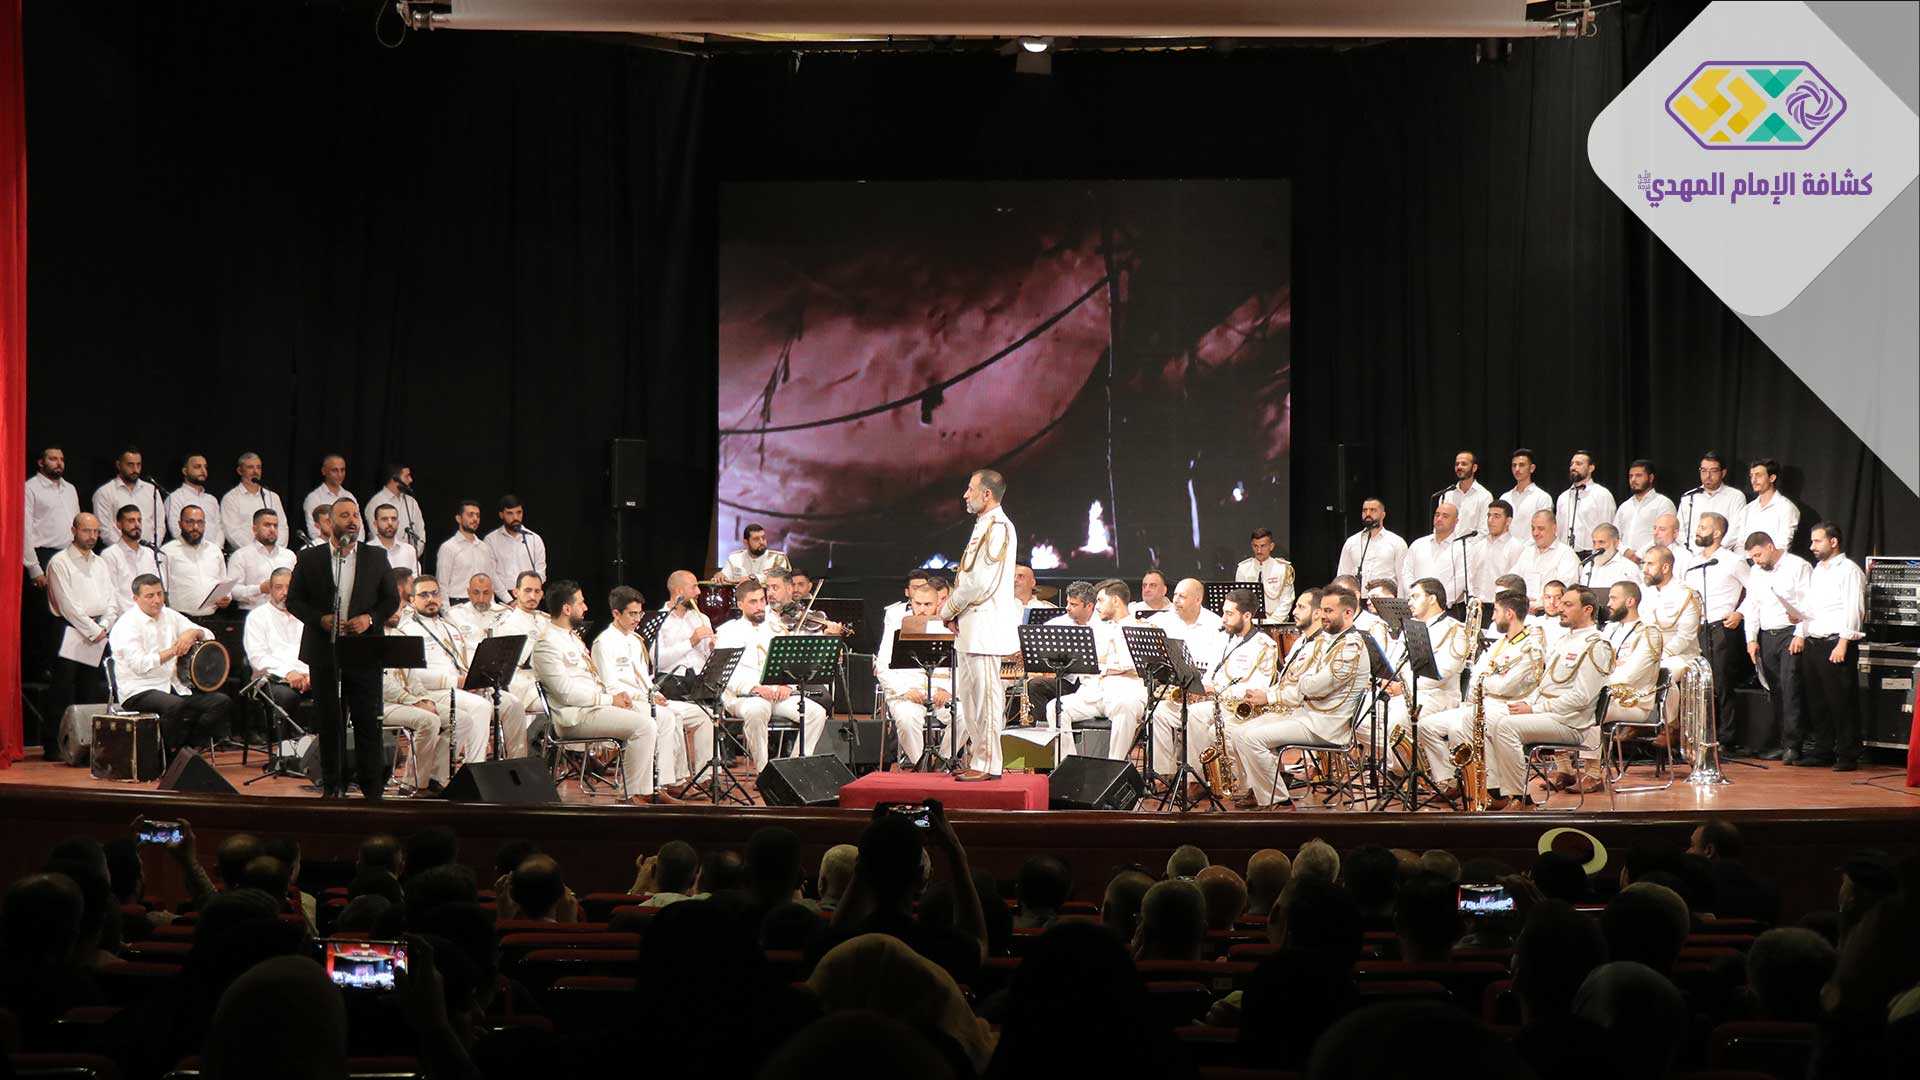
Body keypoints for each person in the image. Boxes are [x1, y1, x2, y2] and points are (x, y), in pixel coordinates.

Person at [286, 498, 399, 798]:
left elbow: (391, 600)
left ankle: (372, 791)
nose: (352, 520)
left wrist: (370, 619)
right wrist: (320, 619)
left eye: (355, 515)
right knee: (330, 723)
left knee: (367, 723)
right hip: (325, 653)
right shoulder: (311, 558)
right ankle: (332, 787)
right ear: (330, 523)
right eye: (344, 515)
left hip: (365, 653)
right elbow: (294, 600)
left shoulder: (376, 556)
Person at [1230, 588, 1369, 809]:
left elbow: (1316, 687)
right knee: (1238, 732)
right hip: (1308, 715)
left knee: (1252, 738)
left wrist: (1304, 682)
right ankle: (1259, 790)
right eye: (1322, 610)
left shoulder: (1351, 646)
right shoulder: (1331, 641)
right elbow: (1309, 683)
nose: (1323, 616)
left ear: (1348, 613)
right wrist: (1306, 682)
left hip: (1327, 725)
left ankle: (1279, 801)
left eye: (1329, 611)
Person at [535, 579, 670, 804]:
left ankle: (652, 790)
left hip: (593, 708)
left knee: (653, 717)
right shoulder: (547, 644)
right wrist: (609, 699)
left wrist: (618, 698)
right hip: (574, 716)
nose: (585, 607)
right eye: (581, 602)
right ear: (567, 609)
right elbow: (566, 694)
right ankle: (630, 795)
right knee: (644, 725)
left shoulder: (572, 638)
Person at [1482, 585, 1615, 810]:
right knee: (1487, 719)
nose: (1560, 608)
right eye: (1562, 604)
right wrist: (1527, 703)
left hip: (1570, 721)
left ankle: (1522, 799)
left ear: (1588, 610)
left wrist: (1534, 709)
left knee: (1505, 727)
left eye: (1568, 604)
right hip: (1549, 713)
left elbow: (1581, 697)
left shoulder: (1597, 645)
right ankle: (1495, 792)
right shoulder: (1564, 640)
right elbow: (1544, 683)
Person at [934, 469, 1021, 780]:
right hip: (971, 627)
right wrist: (956, 613)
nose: (965, 495)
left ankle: (989, 763)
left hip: (985, 629)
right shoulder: (984, 525)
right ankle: (978, 759)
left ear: (987, 494)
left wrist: (948, 609)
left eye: (970, 489)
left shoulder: (998, 527)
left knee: (987, 699)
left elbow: (979, 583)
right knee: (971, 701)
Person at [1417, 590, 1542, 797]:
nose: (1492, 617)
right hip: (1483, 703)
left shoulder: (1529, 648)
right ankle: (1451, 781)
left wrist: (1484, 681)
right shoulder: (1500, 643)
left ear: (1509, 614)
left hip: (1508, 706)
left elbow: (1504, 687)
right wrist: (1485, 680)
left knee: (1460, 726)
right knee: (1427, 726)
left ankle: (1491, 789)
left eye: (1496, 611)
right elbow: (1476, 675)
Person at [594, 584, 709, 796]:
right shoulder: (604, 642)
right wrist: (646, 697)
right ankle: (664, 784)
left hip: (646, 698)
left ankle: (703, 777)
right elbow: (611, 686)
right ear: (616, 613)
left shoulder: (635, 640)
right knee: (666, 717)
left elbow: (643, 677)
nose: (637, 619)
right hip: (625, 703)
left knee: (703, 715)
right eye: (632, 614)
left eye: (639, 613)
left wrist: (655, 693)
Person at [1151, 589, 1275, 786]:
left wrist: (1215, 692)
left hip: (1234, 705)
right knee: (1161, 711)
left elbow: (1257, 689)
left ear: (1247, 616)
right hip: (1212, 699)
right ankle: (1164, 774)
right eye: (1223, 612)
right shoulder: (1222, 637)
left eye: (1229, 613)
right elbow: (1212, 673)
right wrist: (1199, 689)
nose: (1223, 618)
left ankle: (1197, 780)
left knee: (1195, 715)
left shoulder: (1264, 645)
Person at [106, 574, 232, 749]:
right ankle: (167, 754)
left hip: (173, 685)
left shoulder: (169, 615)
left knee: (220, 702)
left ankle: (189, 748)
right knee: (175, 706)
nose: (157, 600)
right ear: (136, 599)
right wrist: (174, 650)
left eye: (160, 594)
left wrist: (193, 633)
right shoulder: (126, 625)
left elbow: (209, 635)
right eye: (150, 596)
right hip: (139, 689)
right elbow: (140, 664)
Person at [716, 578, 827, 770]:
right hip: (744, 696)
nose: (760, 606)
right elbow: (726, 673)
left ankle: (794, 769)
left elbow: (789, 663)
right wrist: (754, 688)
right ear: (740, 604)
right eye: (753, 602)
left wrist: (787, 685)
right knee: (757, 710)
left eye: (762, 600)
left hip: (777, 694)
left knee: (816, 713)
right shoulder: (727, 631)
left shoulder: (776, 628)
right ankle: (764, 771)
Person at [394, 576, 500, 768]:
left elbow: (462, 662)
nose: (430, 599)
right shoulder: (406, 631)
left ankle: (517, 761)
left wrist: (473, 680)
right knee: (481, 707)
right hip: (432, 691)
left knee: (510, 703)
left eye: (434, 593)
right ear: (412, 600)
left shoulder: (449, 626)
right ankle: (475, 770)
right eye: (424, 595)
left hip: (461, 687)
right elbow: (412, 676)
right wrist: (455, 682)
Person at [42, 513, 117, 749]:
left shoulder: (100, 562)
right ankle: (55, 746)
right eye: (86, 531)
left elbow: (111, 600)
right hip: (70, 630)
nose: (92, 536)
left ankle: (89, 745)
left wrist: (104, 626)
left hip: (97, 630)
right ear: (74, 530)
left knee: (90, 690)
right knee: (62, 689)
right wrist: (94, 630)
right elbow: (67, 605)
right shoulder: (60, 562)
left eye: (96, 531)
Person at [1797, 521, 1865, 771]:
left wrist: (1843, 643)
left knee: (1841, 700)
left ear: (1833, 542)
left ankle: (1848, 753)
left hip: (1836, 642)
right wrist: (1800, 629)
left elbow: (1854, 609)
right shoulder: (1818, 570)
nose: (1812, 546)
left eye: (1817, 541)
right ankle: (1823, 749)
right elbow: (1812, 606)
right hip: (1814, 641)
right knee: (1818, 700)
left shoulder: (1849, 570)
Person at [1377, 578, 1470, 758]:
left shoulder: (1456, 629)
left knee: (1396, 718)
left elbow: (1442, 674)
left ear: (1432, 599)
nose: (1410, 602)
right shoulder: (1410, 626)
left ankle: (1403, 769)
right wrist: (1389, 681)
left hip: (1438, 695)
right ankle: (1394, 764)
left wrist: (1403, 687)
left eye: (1415, 596)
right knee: (1366, 713)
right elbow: (1395, 661)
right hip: (1407, 692)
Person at [1740, 531, 1811, 762]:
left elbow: (1807, 602)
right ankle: (1783, 741)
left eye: (1758, 555)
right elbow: (1752, 605)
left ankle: (1794, 744)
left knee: (1791, 687)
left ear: (1770, 547)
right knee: (1775, 688)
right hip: (1767, 635)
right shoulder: (1756, 571)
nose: (1756, 561)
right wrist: (1751, 639)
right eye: (1753, 557)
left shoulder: (1797, 566)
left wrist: (1800, 633)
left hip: (1789, 633)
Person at [379, 588, 451, 794]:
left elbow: (412, 677)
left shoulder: (400, 635)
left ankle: (435, 778)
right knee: (429, 720)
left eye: (400, 608)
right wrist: (414, 702)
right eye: (393, 608)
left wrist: (425, 699)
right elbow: (382, 682)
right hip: (382, 703)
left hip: (407, 700)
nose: (397, 613)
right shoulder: (372, 637)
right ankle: (412, 783)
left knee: (460, 719)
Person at [1689, 511, 1750, 752]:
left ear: (1717, 533)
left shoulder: (1732, 560)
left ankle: (1726, 738)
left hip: (1721, 627)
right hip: (1697, 627)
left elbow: (1756, 589)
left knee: (1722, 683)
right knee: (1698, 683)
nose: (1698, 531)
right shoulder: (1693, 561)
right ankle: (1702, 735)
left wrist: (1740, 613)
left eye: (1703, 527)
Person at [879, 583, 955, 766]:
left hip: (940, 692)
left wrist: (947, 690)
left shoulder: (949, 629)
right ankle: (920, 765)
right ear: (911, 602)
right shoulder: (896, 629)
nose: (922, 609)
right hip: (907, 693)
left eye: (927, 604)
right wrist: (905, 690)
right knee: (907, 718)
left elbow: (962, 669)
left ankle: (943, 762)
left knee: (965, 716)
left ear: (937, 604)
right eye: (918, 604)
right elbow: (881, 667)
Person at [242, 568, 312, 741]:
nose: (285, 592)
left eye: (289, 587)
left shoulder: (306, 615)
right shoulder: (257, 616)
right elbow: (258, 657)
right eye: (279, 587)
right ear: (270, 590)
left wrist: (309, 674)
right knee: (286, 696)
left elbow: (314, 650)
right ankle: (287, 747)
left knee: (335, 691)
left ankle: (323, 746)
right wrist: (288, 673)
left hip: (307, 677)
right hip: (272, 679)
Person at [1085, 579, 1149, 762]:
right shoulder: (1099, 629)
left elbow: (1133, 667)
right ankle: (1071, 765)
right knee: (1056, 709)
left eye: (1100, 600)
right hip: (1097, 692)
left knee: (1125, 706)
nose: (1097, 607)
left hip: (1126, 691)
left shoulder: (1140, 627)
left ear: (1115, 600)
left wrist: (1105, 668)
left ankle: (1115, 766)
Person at [1639, 546, 1703, 680]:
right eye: (1643, 563)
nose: (1644, 569)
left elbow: (1685, 636)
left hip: (1679, 656)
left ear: (1665, 568)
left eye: (1650, 564)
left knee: (1662, 670)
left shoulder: (1686, 593)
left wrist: (1659, 656)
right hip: (1648, 654)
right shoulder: (1644, 591)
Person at [161, 505, 232, 620]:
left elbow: (223, 582)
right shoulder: (167, 552)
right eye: (190, 522)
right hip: (180, 618)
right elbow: (161, 589)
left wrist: (226, 597)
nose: (195, 527)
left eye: (200, 522)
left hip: (212, 617)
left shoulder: (214, 550)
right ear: (180, 524)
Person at [1676, 451, 1749, 553]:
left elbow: (1736, 530)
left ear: (1723, 473)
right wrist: (1695, 551)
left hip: (1723, 554)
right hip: (1692, 554)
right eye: (1704, 471)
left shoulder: (1735, 496)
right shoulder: (1689, 497)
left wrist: (1714, 550)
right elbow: (1680, 531)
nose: (1708, 475)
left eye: (1713, 471)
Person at [227, 508, 298, 612]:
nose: (272, 529)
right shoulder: (241, 556)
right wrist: (259, 589)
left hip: (286, 612)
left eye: (275, 526)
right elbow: (233, 590)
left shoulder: (289, 555)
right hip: (252, 612)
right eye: (267, 525)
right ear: (255, 529)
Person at [91, 446, 163, 547]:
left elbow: (160, 525)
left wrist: (151, 548)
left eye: (138, 465)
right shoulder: (104, 492)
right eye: (130, 465)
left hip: (149, 552)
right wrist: (126, 550)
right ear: (118, 465)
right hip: (118, 552)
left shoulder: (152, 490)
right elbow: (104, 530)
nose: (135, 469)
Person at [218, 452, 288, 554]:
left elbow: (282, 527)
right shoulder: (231, 498)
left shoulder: (272, 497)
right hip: (245, 555)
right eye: (250, 467)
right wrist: (257, 551)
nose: (255, 471)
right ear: (240, 471)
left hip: (274, 555)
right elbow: (232, 532)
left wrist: (275, 550)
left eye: (258, 467)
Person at [1512, 509, 1581, 609]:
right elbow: (1513, 580)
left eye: (1541, 529)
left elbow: (1565, 590)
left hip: (1552, 613)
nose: (1535, 533)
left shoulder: (1566, 554)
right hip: (1524, 610)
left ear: (1554, 528)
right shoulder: (1527, 552)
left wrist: (1538, 604)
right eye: (1533, 528)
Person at [654, 569, 716, 677]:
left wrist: (712, 649)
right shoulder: (658, 620)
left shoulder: (702, 618)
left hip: (701, 678)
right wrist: (691, 642)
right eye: (694, 587)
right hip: (672, 679)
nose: (699, 592)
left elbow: (709, 659)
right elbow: (657, 661)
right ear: (679, 591)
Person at [484, 495, 546, 603]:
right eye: (510, 513)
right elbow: (491, 574)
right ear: (501, 515)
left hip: (530, 596)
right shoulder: (491, 540)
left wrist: (531, 595)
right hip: (503, 598)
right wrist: (508, 600)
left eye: (519, 512)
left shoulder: (534, 539)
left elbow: (541, 572)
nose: (515, 517)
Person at [1335, 497, 1408, 589]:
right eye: (1364, 510)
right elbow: (1342, 576)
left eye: (1373, 510)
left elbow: (1403, 578)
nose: (1368, 514)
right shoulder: (1351, 542)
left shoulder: (1397, 542)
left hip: (1384, 597)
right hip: (1357, 596)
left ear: (1383, 515)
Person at [435, 500, 496, 606]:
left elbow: (490, 580)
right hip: (458, 603)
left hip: (483, 603)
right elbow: (442, 584)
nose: (475, 519)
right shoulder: (448, 547)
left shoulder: (484, 548)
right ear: (458, 518)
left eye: (478, 515)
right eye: (470, 515)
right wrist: (446, 611)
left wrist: (492, 605)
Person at [1611, 459, 1675, 559]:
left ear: (1651, 478)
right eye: (1631, 476)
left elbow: (1666, 535)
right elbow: (1614, 535)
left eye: (1638, 475)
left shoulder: (1663, 503)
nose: (1633, 479)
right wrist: (1625, 551)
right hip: (1624, 561)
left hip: (1652, 560)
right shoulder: (1624, 506)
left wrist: (1639, 555)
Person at [100, 505, 162, 605]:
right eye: (131, 521)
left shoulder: (149, 553)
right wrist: (135, 613)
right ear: (119, 525)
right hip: (126, 612)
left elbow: (157, 586)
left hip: (152, 610)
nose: (137, 525)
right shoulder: (110, 555)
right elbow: (113, 593)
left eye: (139, 520)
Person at [1467, 500, 1526, 603]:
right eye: (1489, 516)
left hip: (1501, 604)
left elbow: (1516, 582)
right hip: (1476, 604)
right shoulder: (1478, 546)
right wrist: (1471, 598)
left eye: (1496, 516)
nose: (1490, 520)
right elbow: (1470, 575)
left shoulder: (1516, 547)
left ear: (1508, 521)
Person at [364, 464, 427, 562]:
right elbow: (376, 535)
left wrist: (411, 556)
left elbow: (420, 534)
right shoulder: (376, 502)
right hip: (383, 561)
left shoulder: (411, 502)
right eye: (407, 476)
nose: (410, 480)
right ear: (395, 479)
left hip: (408, 561)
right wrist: (393, 560)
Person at [1556, 450, 1616, 551]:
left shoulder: (1602, 494)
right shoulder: (1563, 497)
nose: (1573, 467)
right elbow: (1558, 531)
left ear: (1591, 468)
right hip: (1566, 554)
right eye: (1571, 464)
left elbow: (1608, 529)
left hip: (1592, 554)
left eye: (1578, 464)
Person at [163, 453, 224, 548]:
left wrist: (216, 548)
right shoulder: (175, 497)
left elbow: (220, 528)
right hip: (187, 550)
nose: (203, 471)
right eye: (197, 467)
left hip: (212, 551)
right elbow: (176, 530)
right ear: (185, 471)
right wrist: (196, 548)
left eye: (205, 467)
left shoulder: (212, 499)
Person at [1234, 526, 1295, 619]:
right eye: (1255, 546)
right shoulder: (1243, 568)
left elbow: (1287, 599)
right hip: (1250, 620)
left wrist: (1274, 620)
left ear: (1271, 546)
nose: (1259, 550)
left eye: (1263, 546)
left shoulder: (1283, 568)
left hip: (1277, 621)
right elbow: (1240, 599)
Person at [1739, 457, 1799, 550]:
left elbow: (1783, 545)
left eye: (1758, 475)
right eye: (1751, 476)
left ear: (1772, 478)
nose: (1753, 480)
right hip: (1747, 558)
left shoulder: (1786, 507)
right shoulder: (1748, 509)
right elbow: (1740, 543)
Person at [1500, 448, 1555, 528]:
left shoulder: (1542, 497)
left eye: (1521, 465)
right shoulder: (1505, 498)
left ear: (1532, 468)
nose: (1517, 469)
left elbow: (1544, 528)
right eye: (1514, 465)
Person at [444, 573, 507, 641]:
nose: (481, 599)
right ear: (468, 592)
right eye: (476, 593)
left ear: (492, 592)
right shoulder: (455, 616)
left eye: (486, 593)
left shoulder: (505, 614)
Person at [300, 453, 355, 530]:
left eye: (342, 470)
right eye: (334, 470)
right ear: (324, 471)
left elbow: (359, 528)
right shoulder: (314, 498)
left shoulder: (349, 496)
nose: (340, 474)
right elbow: (314, 531)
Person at [721, 522, 789, 583]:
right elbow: (725, 577)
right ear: (746, 542)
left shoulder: (778, 558)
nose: (761, 542)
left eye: (763, 538)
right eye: (756, 539)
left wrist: (754, 578)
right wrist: (721, 576)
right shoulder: (734, 558)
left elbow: (781, 579)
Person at [1582, 524, 1642, 592]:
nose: (1596, 547)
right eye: (1594, 542)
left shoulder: (1629, 568)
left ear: (1616, 543)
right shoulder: (1588, 567)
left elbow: (1637, 595)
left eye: (1601, 542)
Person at [370, 504, 422, 574]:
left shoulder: (409, 550)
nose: (390, 523)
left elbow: (415, 579)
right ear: (375, 524)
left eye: (393, 519)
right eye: (384, 519)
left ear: (398, 523)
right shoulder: (366, 550)